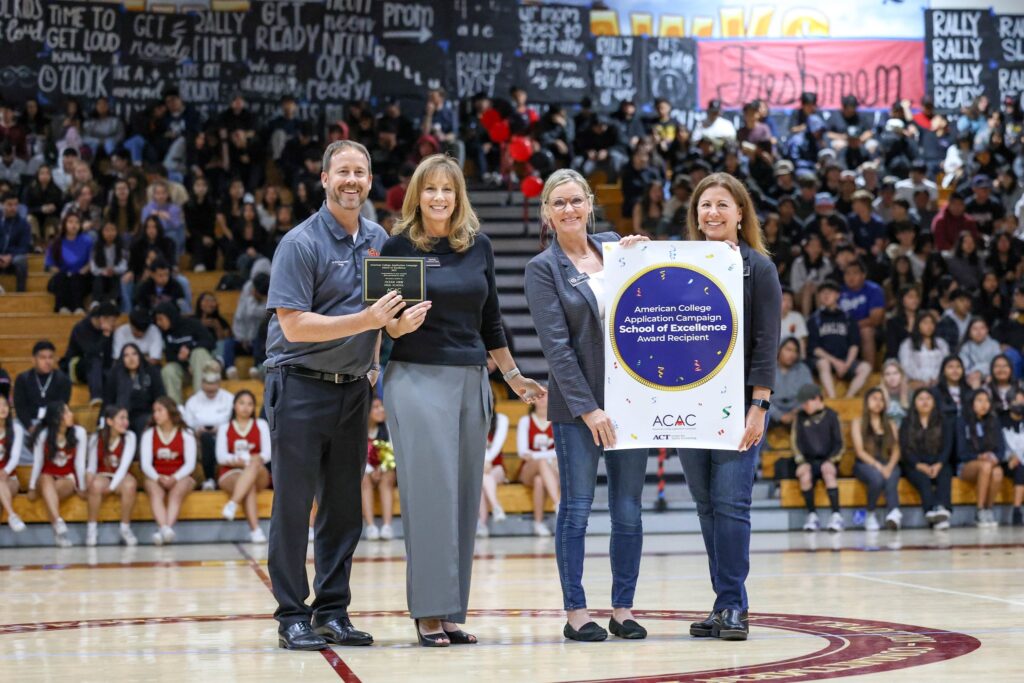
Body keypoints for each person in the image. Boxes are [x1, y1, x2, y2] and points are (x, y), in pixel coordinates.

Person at [382, 153, 544, 647]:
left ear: (459, 196)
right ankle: (427, 612)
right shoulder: (399, 246)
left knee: (462, 497)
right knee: (430, 496)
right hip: (415, 378)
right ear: (417, 195)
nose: (438, 198)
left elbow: (491, 319)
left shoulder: (479, 247)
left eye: (447, 189)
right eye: (429, 189)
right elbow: (383, 322)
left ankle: (451, 610)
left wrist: (514, 376)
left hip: (471, 376)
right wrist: (396, 324)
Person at [264, 140, 397, 651]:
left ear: (369, 180)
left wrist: (376, 359)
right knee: (294, 507)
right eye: (342, 171)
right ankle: (292, 616)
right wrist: (366, 322)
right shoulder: (300, 244)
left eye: (360, 172)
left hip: (353, 391)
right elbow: (294, 326)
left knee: (344, 509)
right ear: (324, 179)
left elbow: (385, 313)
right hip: (298, 384)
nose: (351, 181)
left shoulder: (379, 237)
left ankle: (332, 611)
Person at [525, 168, 649, 643]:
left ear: (590, 204)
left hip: (632, 402)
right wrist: (588, 409)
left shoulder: (617, 246)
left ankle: (623, 608)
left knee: (629, 510)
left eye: (576, 201)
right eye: (559, 203)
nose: (569, 210)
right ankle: (576, 612)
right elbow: (556, 349)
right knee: (577, 507)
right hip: (579, 409)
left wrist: (646, 259)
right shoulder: (542, 269)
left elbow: (650, 306)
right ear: (547, 213)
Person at [673, 172, 781, 641]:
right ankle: (723, 604)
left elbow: (765, 342)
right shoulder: (678, 265)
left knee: (731, 504)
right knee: (706, 507)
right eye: (704, 206)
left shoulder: (758, 268)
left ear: (740, 214)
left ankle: (735, 605)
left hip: (738, 407)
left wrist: (759, 405)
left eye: (722, 205)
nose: (712, 213)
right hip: (686, 403)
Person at [27, 401, 87, 547]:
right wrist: (31, 487)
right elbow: (38, 462)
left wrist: (82, 486)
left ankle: (57, 530)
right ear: (57, 418)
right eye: (66, 412)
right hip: (46, 476)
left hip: (67, 477)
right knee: (46, 479)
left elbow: (79, 464)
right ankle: (58, 522)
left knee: (50, 495)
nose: (71, 414)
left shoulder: (79, 432)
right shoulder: (44, 435)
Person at [140, 397, 197, 545]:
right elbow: (145, 464)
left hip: (181, 476)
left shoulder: (186, 434)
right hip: (157, 476)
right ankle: (166, 530)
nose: (155, 415)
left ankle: (163, 529)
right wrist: (158, 477)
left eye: (160, 410)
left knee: (176, 493)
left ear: (170, 412)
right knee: (154, 491)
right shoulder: (149, 434)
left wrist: (175, 477)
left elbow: (190, 464)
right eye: (154, 411)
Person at [217, 390, 272, 544]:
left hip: (258, 470)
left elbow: (267, 453)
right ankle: (255, 531)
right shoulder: (225, 427)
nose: (246, 407)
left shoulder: (261, 424)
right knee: (249, 486)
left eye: (250, 404)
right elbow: (221, 457)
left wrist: (250, 460)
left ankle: (233, 503)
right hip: (231, 472)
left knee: (254, 463)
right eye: (242, 403)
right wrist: (236, 460)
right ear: (234, 405)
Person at [792, 383, 844, 533]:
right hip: (808, 460)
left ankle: (836, 514)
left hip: (828, 459)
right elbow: (795, 443)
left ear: (816, 399)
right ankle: (812, 515)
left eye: (806, 402)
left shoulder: (832, 416)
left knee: (828, 472)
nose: (804, 406)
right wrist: (801, 461)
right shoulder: (800, 418)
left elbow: (840, 444)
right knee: (804, 474)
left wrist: (831, 461)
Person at [85, 405, 138, 546]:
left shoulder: (130, 437)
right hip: (103, 475)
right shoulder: (97, 437)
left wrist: (112, 486)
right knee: (95, 485)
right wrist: (87, 484)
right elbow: (91, 466)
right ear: (109, 421)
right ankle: (91, 529)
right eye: (121, 418)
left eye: (126, 418)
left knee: (130, 485)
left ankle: (125, 528)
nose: (125, 422)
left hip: (121, 476)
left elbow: (124, 466)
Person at [807, 281, 871, 399]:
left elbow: (854, 345)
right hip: (826, 361)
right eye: (822, 293)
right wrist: (835, 362)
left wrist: (847, 364)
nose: (826, 296)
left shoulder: (848, 318)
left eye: (829, 293)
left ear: (837, 295)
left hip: (845, 361)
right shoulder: (814, 319)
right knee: (823, 363)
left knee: (866, 367)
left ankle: (848, 397)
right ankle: (832, 399)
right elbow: (815, 349)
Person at [900, 388, 953, 530]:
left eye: (928, 398)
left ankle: (942, 509)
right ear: (914, 403)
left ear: (934, 402)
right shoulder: (907, 422)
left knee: (944, 475)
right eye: (921, 399)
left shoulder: (943, 421)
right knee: (923, 479)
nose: (925, 402)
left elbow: (948, 446)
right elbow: (905, 449)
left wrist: (939, 463)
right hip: (915, 464)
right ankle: (930, 510)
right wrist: (919, 465)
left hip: (939, 461)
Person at [851, 388, 903, 531]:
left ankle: (893, 512)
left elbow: (897, 448)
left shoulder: (890, 423)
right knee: (877, 478)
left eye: (881, 399)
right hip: (865, 463)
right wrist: (878, 466)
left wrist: (890, 465)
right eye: (874, 398)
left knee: (893, 474)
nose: (878, 402)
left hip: (887, 461)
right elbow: (860, 451)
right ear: (866, 402)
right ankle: (870, 513)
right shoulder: (858, 422)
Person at [957, 388, 1006, 527]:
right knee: (986, 466)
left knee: (997, 472)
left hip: (990, 464)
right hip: (966, 464)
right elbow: (961, 453)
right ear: (971, 403)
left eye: (986, 401)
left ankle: (988, 509)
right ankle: (979, 511)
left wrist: (997, 457)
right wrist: (979, 456)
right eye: (979, 400)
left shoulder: (993, 421)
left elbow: (1001, 449)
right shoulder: (962, 421)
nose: (984, 404)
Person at [182, 362, 233, 489]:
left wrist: (219, 430)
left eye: (213, 385)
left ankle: (210, 478)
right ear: (202, 383)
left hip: (224, 439)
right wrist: (196, 432)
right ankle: (209, 479)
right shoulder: (192, 402)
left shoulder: (229, 399)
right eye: (207, 385)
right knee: (205, 438)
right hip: (199, 441)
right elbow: (187, 427)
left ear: (219, 383)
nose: (210, 388)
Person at [153, 301, 216, 404]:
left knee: (199, 352)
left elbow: (210, 342)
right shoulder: (164, 333)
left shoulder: (192, 323)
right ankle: (176, 410)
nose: (158, 323)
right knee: (168, 370)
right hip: (185, 371)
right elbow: (170, 357)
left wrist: (190, 349)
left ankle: (201, 402)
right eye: (157, 320)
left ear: (170, 316)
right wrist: (185, 363)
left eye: (161, 319)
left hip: (203, 369)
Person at [516, 393, 559, 537]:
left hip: (550, 470)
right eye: (538, 395)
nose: (542, 398)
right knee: (541, 463)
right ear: (532, 400)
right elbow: (522, 452)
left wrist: (534, 455)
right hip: (528, 469)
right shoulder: (525, 421)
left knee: (539, 481)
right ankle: (557, 503)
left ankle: (538, 523)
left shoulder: (557, 420)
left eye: (545, 395)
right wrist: (547, 455)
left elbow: (559, 451)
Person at [13, 341, 72, 442]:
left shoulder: (63, 380)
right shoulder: (23, 379)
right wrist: (30, 427)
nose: (47, 361)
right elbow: (20, 407)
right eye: (43, 358)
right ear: (33, 360)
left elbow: (61, 406)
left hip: (52, 423)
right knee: (14, 429)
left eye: (50, 357)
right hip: (28, 422)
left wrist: (48, 426)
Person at [62, 301, 118, 405]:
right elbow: (91, 352)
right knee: (94, 359)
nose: (114, 324)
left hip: (100, 369)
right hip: (77, 366)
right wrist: (105, 336)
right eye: (112, 321)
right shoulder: (81, 328)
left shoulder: (109, 330)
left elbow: (108, 356)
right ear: (102, 319)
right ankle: (96, 396)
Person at [361, 394, 396, 541]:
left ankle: (387, 526)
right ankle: (370, 526)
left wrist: (381, 468)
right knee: (363, 479)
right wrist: (369, 469)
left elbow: (393, 451)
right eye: (376, 407)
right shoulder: (360, 429)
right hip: (366, 469)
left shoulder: (388, 427)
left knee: (388, 477)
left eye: (382, 406)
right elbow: (357, 454)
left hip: (384, 468)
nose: (381, 410)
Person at [45, 212, 94, 314]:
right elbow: (50, 265)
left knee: (76, 279)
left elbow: (92, 261)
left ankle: (78, 307)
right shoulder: (56, 242)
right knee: (61, 278)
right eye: (70, 222)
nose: (74, 225)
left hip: (81, 276)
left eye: (77, 222)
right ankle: (62, 307)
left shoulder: (87, 241)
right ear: (64, 224)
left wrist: (85, 268)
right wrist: (61, 272)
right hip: (62, 276)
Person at [479, 398, 509, 536]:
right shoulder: (471, 419)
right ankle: (496, 506)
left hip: (497, 468)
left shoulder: (502, 419)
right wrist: (482, 464)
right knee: (480, 479)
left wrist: (486, 461)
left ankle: (482, 524)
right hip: (478, 471)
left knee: (482, 477)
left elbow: (497, 444)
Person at [769, 337, 813, 428]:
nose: (792, 354)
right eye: (788, 349)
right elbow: (761, 398)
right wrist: (779, 415)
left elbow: (809, 394)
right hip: (771, 412)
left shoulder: (803, 369)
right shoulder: (768, 369)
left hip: (796, 412)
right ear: (779, 349)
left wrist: (796, 412)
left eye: (795, 351)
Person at [899, 312, 949, 388]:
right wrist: (922, 381)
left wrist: (938, 379)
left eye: (932, 323)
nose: (929, 326)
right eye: (925, 323)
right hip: (915, 383)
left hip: (939, 382)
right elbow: (906, 366)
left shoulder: (941, 343)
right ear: (917, 325)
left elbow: (946, 363)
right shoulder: (908, 344)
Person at [0, 394, 26, 533]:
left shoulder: (16, 429)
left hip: (11, 478)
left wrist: (4, 472)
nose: (3, 408)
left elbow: (15, 457)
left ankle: (12, 515)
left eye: (5, 405)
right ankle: (12, 516)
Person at [90, 221, 128, 306]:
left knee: (116, 280)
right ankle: (95, 302)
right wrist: (103, 271)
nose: (110, 233)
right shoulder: (96, 246)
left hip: (115, 274)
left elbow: (124, 265)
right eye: (107, 230)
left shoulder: (121, 246)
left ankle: (113, 301)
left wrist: (114, 270)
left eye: (113, 230)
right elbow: (93, 267)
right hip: (101, 273)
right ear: (102, 232)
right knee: (98, 279)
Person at [1000, 396, 1024, 526]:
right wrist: (1008, 457)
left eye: (1022, 400)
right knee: (1019, 467)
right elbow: (997, 444)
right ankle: (1016, 510)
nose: (1020, 403)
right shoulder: (1000, 420)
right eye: (1016, 400)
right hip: (1006, 461)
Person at [0, 192, 31, 292]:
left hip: (13, 259)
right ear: (2, 205)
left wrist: (10, 256)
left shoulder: (24, 224)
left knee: (21, 260)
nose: (13, 208)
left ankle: (20, 294)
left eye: (15, 205)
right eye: (9, 204)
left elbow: (25, 247)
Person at [879, 360, 910, 426]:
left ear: (901, 375)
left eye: (895, 373)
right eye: (887, 374)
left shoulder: (910, 392)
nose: (892, 378)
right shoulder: (877, 393)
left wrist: (904, 397)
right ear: (883, 377)